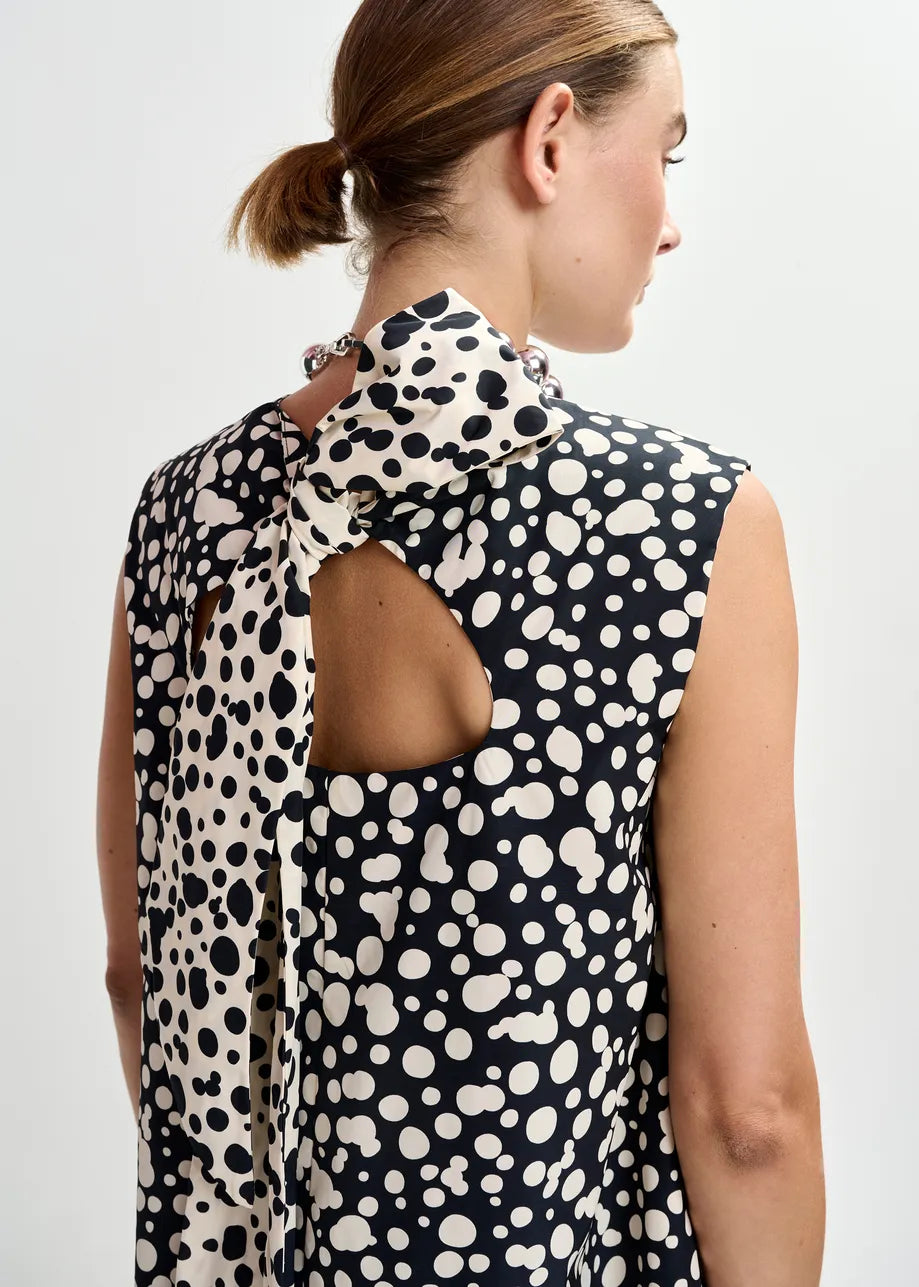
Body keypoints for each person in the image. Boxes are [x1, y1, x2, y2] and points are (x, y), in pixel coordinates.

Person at [96, 2, 825, 1284]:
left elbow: (141, 981)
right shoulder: (678, 524)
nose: (668, 219)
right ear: (551, 140)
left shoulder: (185, 515)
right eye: (666, 152)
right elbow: (744, 1111)